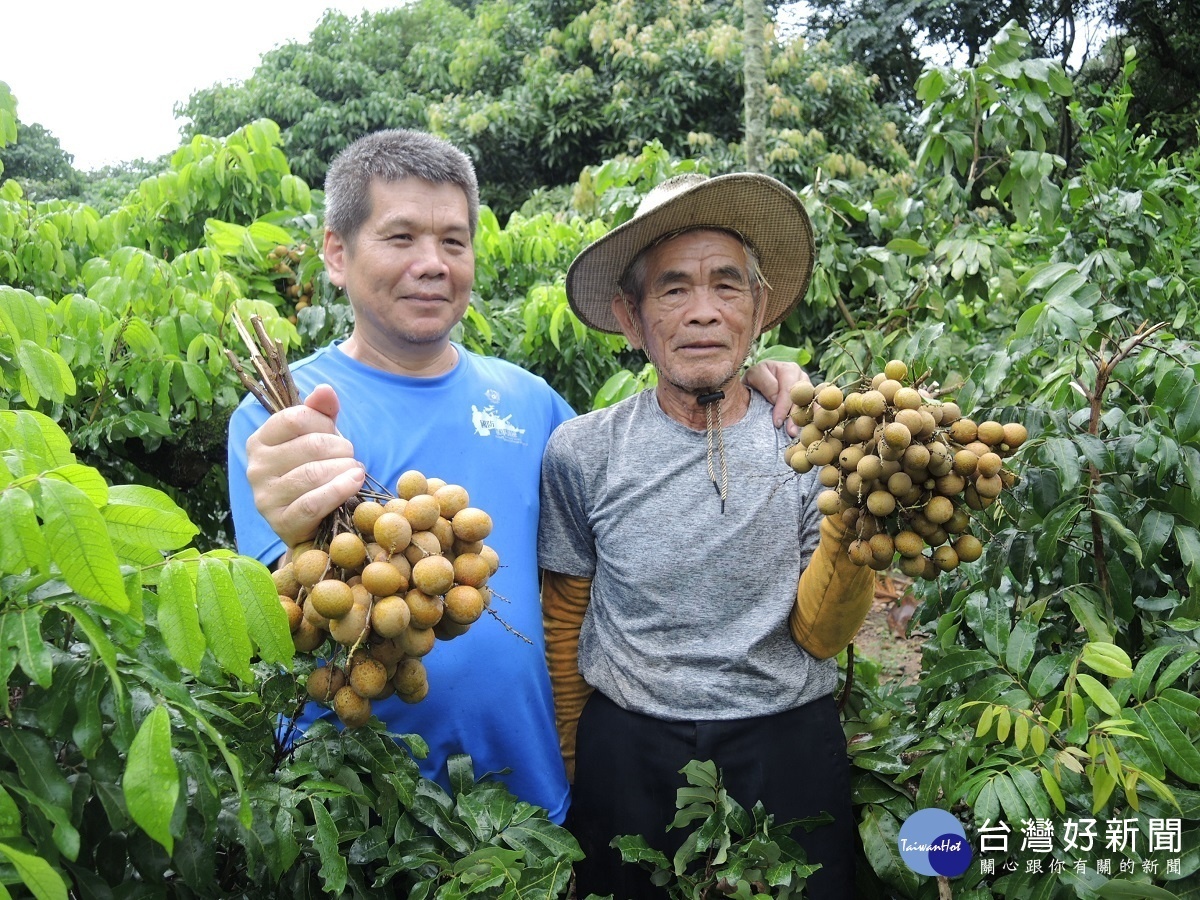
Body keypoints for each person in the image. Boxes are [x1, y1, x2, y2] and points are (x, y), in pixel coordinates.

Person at [227, 130, 805, 824]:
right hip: (365, 813)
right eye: (401, 237)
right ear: (336, 254)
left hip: (534, 801)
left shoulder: (531, 401)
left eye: (453, 241)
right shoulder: (283, 424)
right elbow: (281, 629)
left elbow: (640, 477)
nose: (432, 264)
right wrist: (297, 541)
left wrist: (757, 385)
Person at [538, 172, 874, 896]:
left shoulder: (814, 440)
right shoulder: (582, 451)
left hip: (785, 742)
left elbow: (819, 635)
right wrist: (572, 752)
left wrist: (859, 522)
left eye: (727, 286)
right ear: (631, 318)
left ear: (759, 311)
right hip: (630, 749)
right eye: (672, 289)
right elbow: (565, 615)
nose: (703, 313)